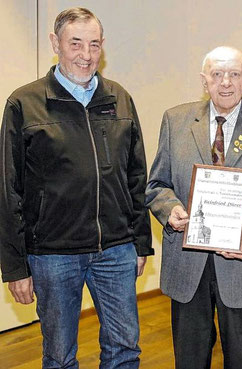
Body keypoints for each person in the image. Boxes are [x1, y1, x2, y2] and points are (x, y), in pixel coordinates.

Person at [0, 7, 153, 369]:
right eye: (76, 44)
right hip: (53, 255)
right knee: (59, 356)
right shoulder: (24, 103)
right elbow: (8, 190)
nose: (86, 55)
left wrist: (141, 242)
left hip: (116, 250)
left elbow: (136, 177)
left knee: (124, 350)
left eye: (95, 45)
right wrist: (15, 267)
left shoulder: (119, 98)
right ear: (56, 43)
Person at [145, 46, 242, 369]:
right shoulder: (175, 120)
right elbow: (156, 186)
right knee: (189, 361)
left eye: (234, 74)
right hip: (188, 267)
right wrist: (170, 210)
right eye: (217, 74)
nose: (225, 82)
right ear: (205, 81)